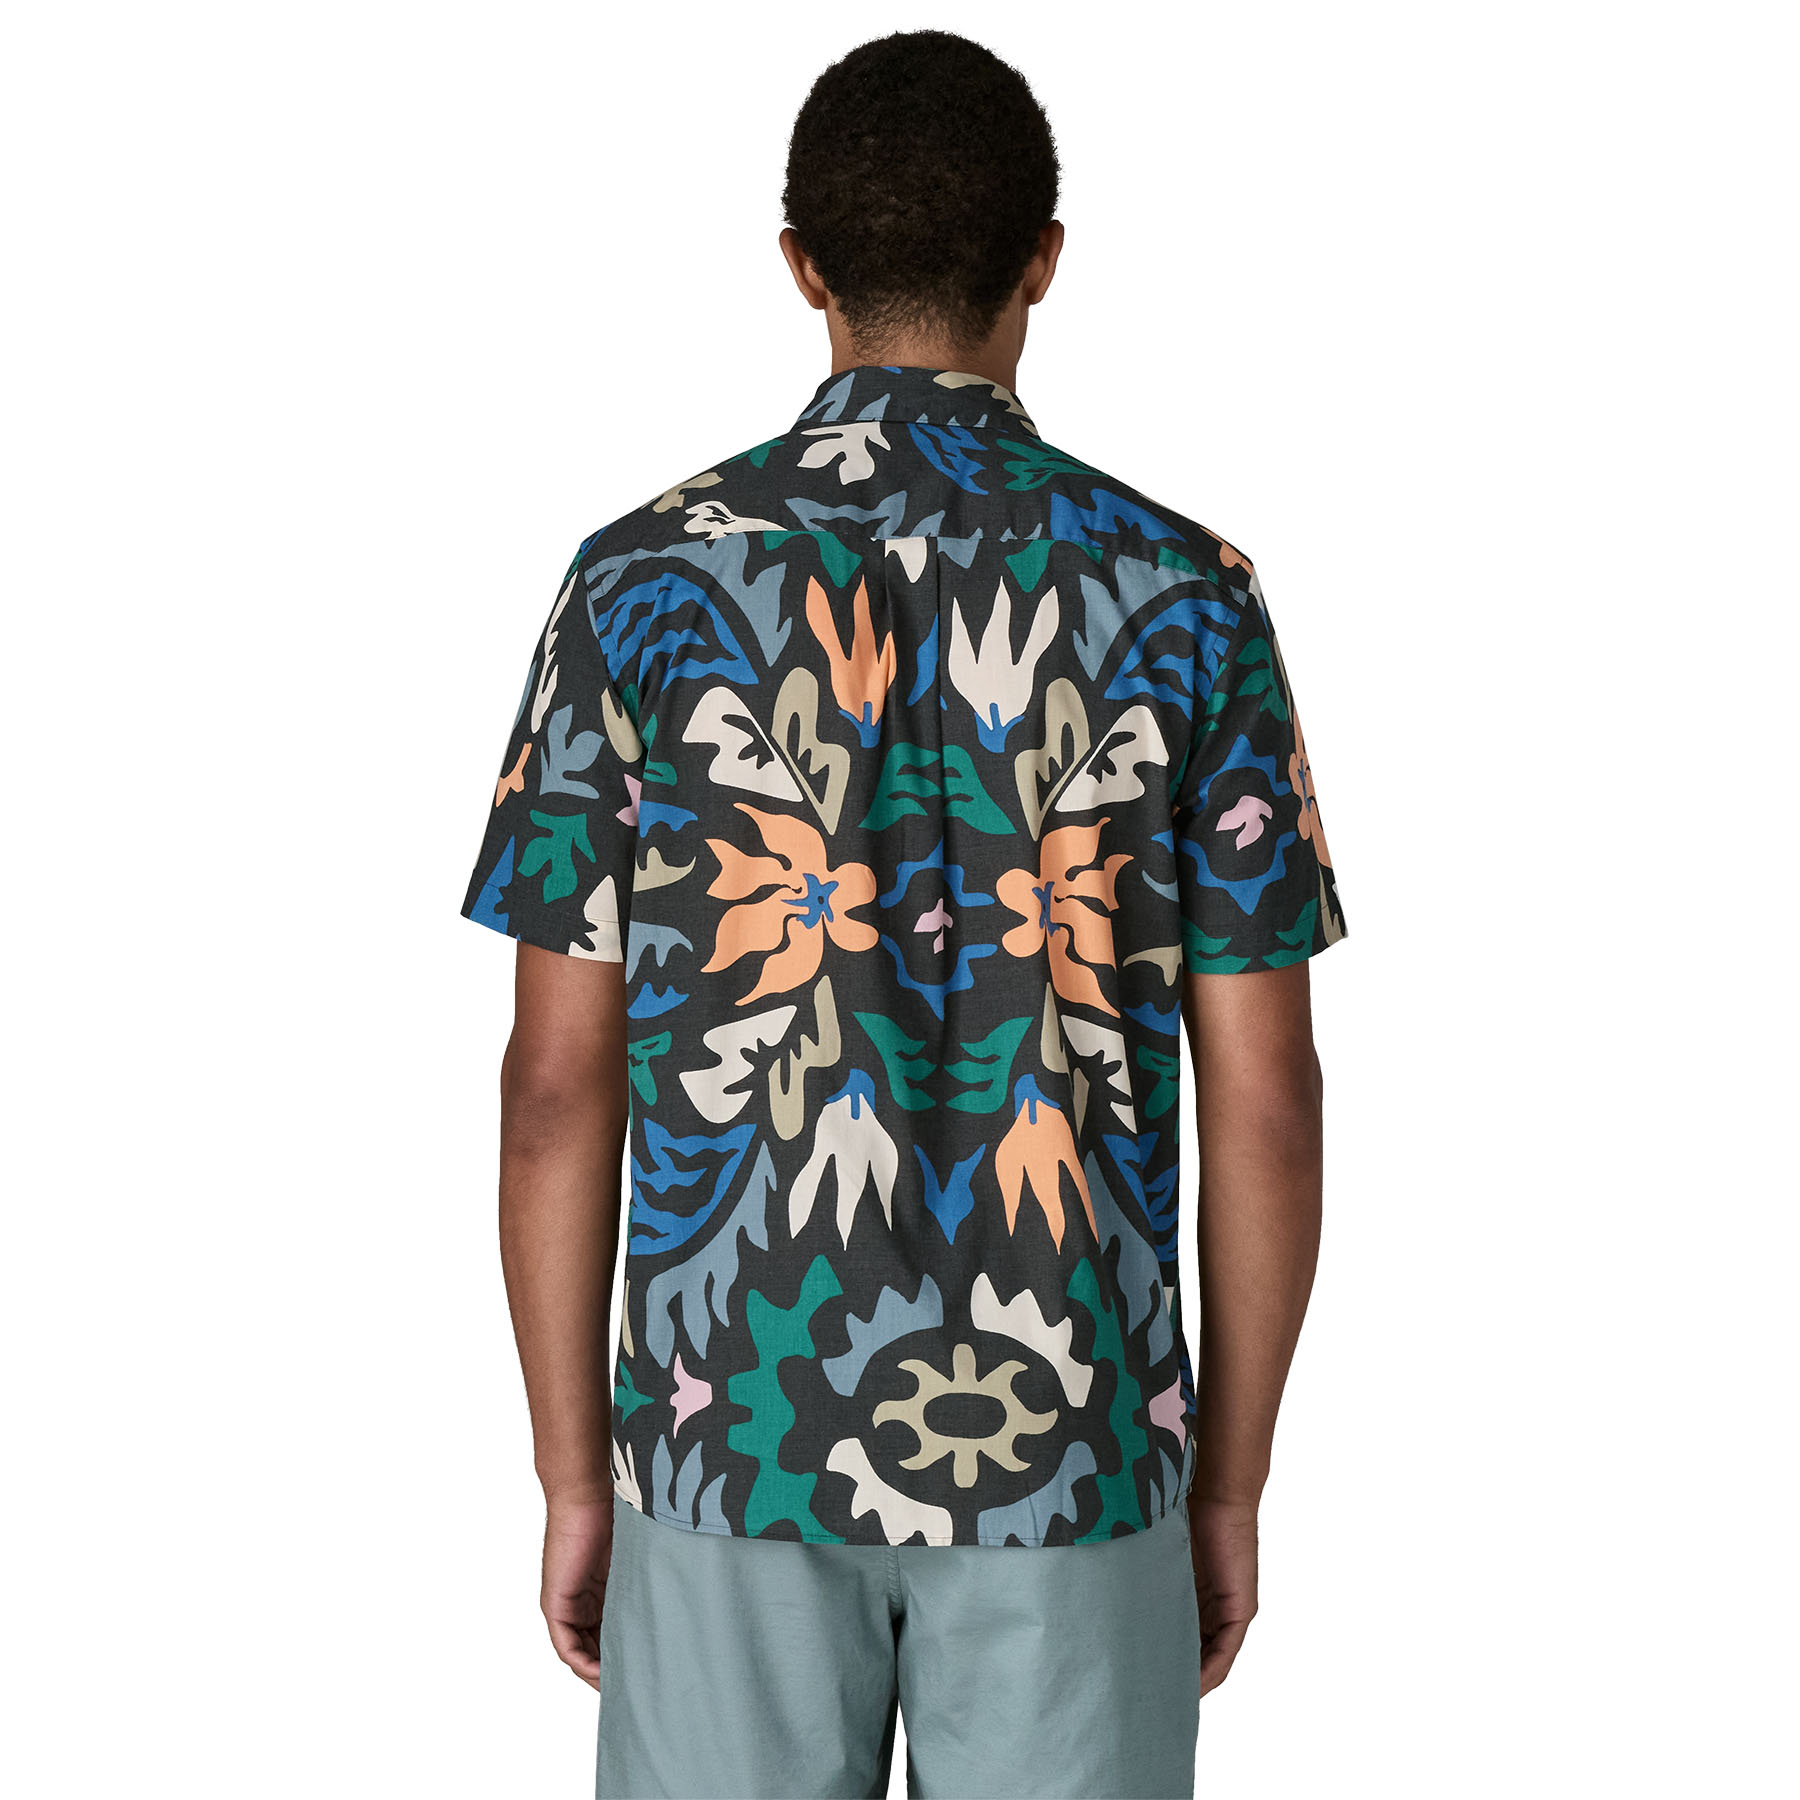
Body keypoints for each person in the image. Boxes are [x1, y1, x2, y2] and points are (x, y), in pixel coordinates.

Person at [462, 29, 1344, 1800]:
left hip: (733, 1421)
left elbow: (556, 1086)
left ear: (804, 266)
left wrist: (574, 1471)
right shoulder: (1187, 596)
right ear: (1045, 259)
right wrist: (1227, 1480)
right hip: (1077, 1437)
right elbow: (1267, 1096)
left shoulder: (634, 587)